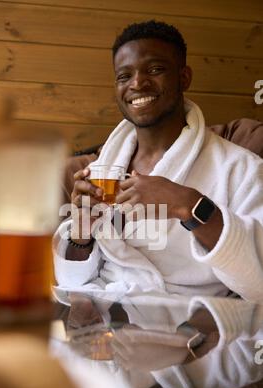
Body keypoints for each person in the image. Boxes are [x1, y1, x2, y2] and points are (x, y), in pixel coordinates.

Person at [53, 20, 263, 307]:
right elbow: (71, 280)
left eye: (155, 69)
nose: (137, 83)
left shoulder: (240, 168)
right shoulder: (101, 170)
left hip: (191, 324)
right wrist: (81, 230)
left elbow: (258, 281)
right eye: (123, 76)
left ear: (184, 77)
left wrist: (190, 205)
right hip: (104, 318)